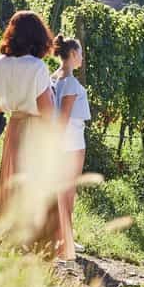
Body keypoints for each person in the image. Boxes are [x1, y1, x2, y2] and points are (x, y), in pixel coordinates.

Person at [0, 11, 62, 252]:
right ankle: (38, 240)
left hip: (15, 126)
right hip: (36, 130)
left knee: (12, 180)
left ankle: (11, 235)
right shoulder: (37, 67)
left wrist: (16, 106)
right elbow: (46, 111)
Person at [50, 34, 90, 265]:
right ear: (73, 54)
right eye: (81, 53)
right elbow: (64, 118)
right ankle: (65, 238)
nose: (82, 57)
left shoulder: (52, 78)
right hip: (71, 142)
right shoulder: (71, 83)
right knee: (68, 191)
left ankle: (63, 235)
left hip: (59, 141)